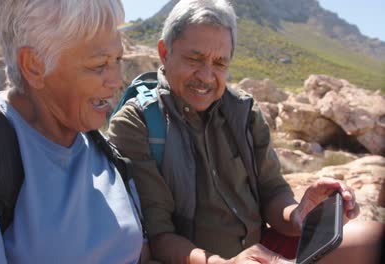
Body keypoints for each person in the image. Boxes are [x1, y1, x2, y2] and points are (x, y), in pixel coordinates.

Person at [108, 0, 383, 263]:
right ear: (165, 53)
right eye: (195, 58)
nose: (206, 76)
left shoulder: (243, 111)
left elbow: (272, 192)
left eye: (219, 63)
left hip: (261, 250)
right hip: (195, 260)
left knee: (372, 238)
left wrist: (299, 214)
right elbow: (158, 237)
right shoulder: (137, 124)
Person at [0, 0, 151, 263]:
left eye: (118, 59)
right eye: (99, 65)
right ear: (33, 66)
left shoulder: (106, 152)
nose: (117, 80)